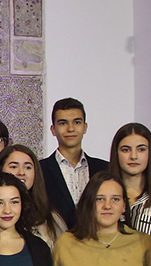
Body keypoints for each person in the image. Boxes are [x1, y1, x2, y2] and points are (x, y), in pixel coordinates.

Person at [40, 97, 108, 230]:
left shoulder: (105, 169)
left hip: (100, 245)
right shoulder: (40, 170)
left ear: (85, 127)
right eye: (63, 123)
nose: (70, 129)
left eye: (77, 122)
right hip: (56, 246)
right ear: (53, 130)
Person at [0, 144, 65, 246]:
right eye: (14, 167)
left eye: (27, 167)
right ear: (0, 170)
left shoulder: (52, 219)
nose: (21, 172)